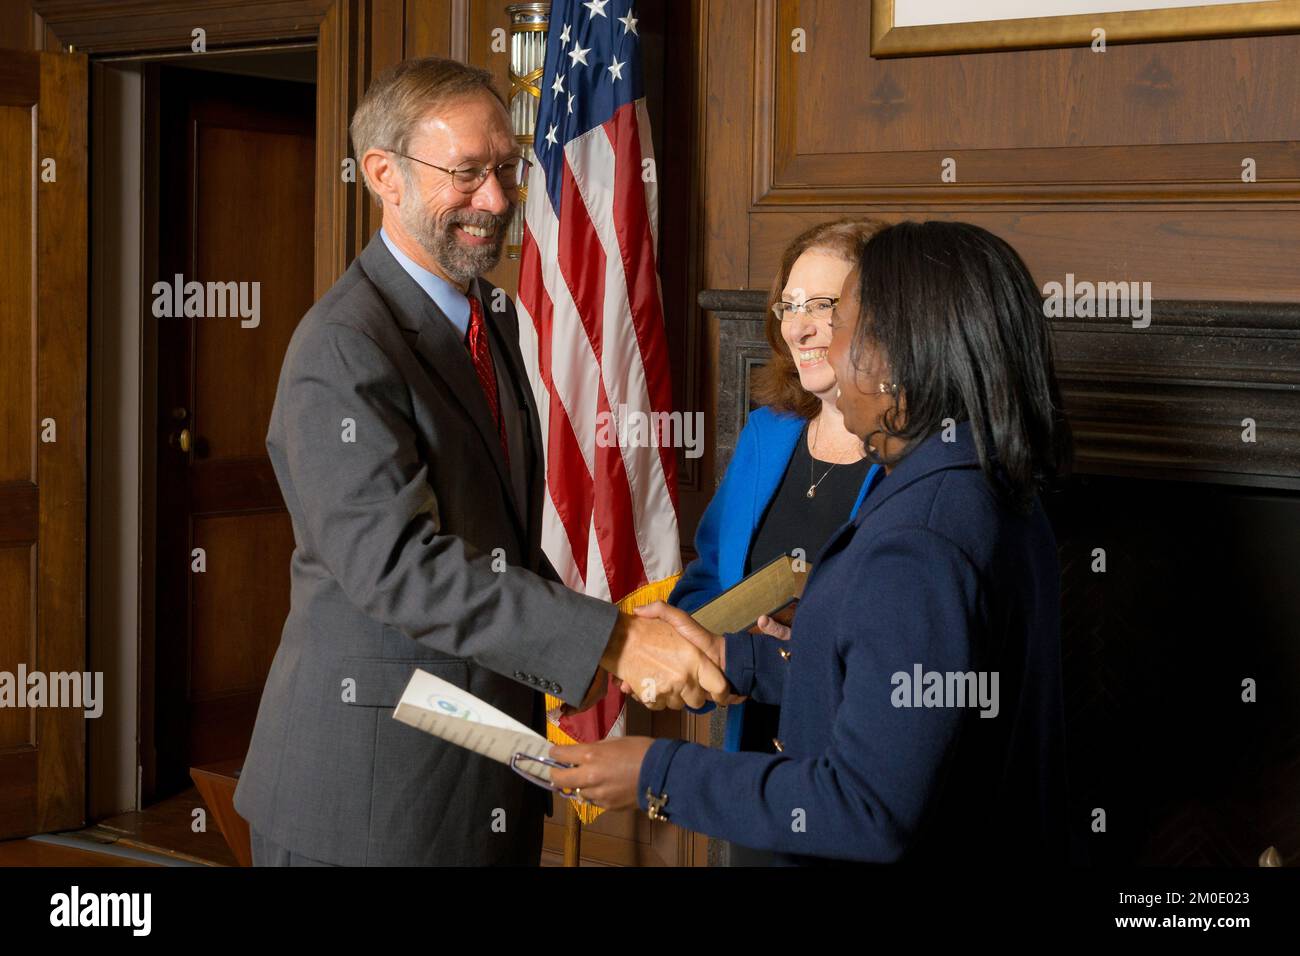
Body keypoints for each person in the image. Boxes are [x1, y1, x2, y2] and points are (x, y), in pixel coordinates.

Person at [233, 56, 726, 867]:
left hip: (480, 775)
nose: (497, 202)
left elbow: (491, 536)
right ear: (384, 175)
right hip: (370, 802)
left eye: (507, 169)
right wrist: (604, 643)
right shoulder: (342, 348)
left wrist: (614, 634)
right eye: (466, 174)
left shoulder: (487, 318)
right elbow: (399, 568)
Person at [553, 220, 1073, 864]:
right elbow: (888, 692)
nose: (817, 344)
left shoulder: (921, 540)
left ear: (899, 354)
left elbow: (865, 806)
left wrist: (657, 773)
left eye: (840, 323)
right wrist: (734, 655)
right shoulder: (971, 479)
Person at [666, 218, 884, 864]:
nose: (799, 326)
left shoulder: (913, 459)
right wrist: (699, 646)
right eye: (789, 305)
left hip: (857, 778)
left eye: (823, 305)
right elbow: (706, 579)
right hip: (753, 761)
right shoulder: (768, 433)